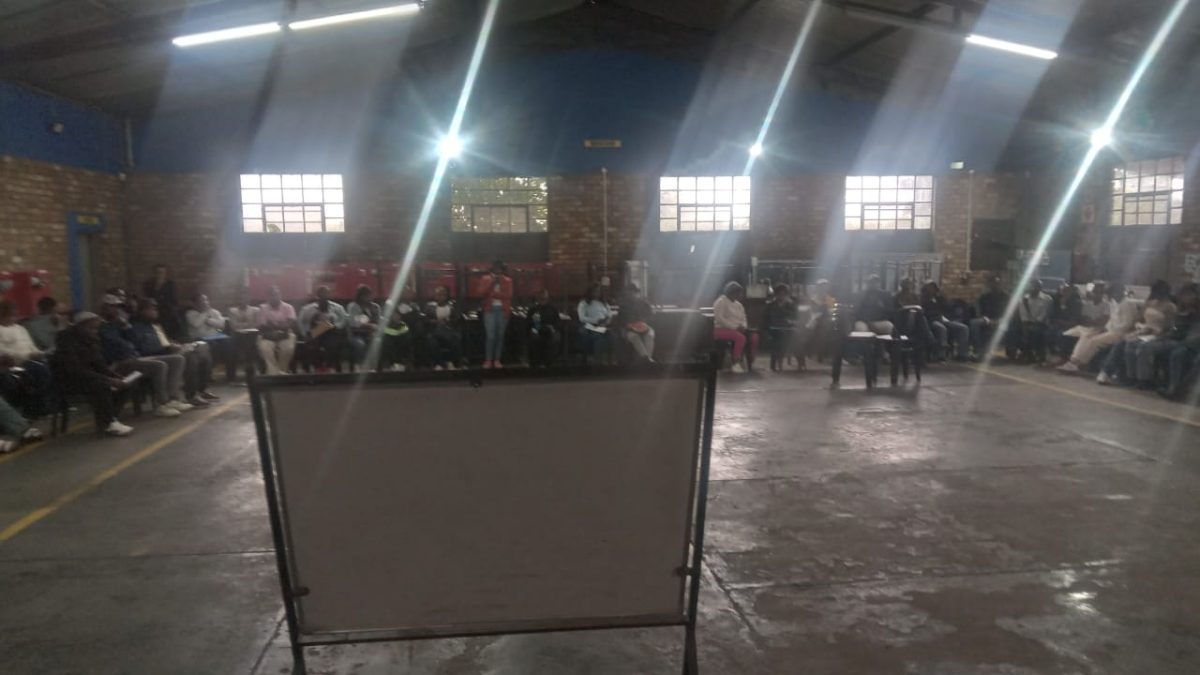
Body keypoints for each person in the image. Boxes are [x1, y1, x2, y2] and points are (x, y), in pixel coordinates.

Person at [98, 297, 183, 418]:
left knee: (177, 359)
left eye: (118, 307)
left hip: (134, 358)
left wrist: (126, 326)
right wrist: (127, 345)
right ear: (104, 308)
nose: (117, 310)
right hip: (119, 363)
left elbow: (134, 340)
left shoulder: (117, 324)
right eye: (113, 307)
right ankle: (161, 405)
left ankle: (173, 399)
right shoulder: (100, 325)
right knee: (159, 366)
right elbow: (114, 345)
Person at [51, 312, 134, 436]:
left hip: (90, 377)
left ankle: (110, 418)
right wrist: (108, 380)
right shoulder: (66, 341)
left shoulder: (92, 341)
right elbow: (75, 369)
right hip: (71, 380)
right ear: (80, 326)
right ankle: (108, 423)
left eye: (96, 329)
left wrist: (115, 376)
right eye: (91, 328)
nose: (94, 331)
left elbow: (100, 365)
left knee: (124, 385)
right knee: (102, 385)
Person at [131, 300, 216, 406]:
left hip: (167, 349)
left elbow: (164, 340)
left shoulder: (156, 325)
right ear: (142, 311)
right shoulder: (137, 327)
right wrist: (168, 347)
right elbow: (144, 346)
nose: (154, 312)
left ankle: (202, 390)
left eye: (155, 310)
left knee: (203, 354)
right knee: (190, 358)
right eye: (150, 310)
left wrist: (174, 344)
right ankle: (191, 396)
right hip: (154, 354)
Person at [1098, 280, 1177, 386]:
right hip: (1143, 331)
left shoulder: (1170, 307)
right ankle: (1110, 372)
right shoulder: (1149, 303)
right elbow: (1138, 319)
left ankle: (1143, 379)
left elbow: (1168, 326)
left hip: (1158, 334)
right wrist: (1140, 327)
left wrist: (1155, 332)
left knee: (1141, 347)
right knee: (1121, 343)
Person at [1059, 283, 1137, 373]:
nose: (1112, 296)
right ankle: (1074, 360)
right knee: (1087, 335)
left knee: (1094, 341)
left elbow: (1127, 324)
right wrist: (1106, 328)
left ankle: (1078, 364)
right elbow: (1111, 319)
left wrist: (1110, 329)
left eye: (1113, 293)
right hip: (1111, 330)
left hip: (1121, 332)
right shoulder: (1114, 302)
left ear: (1120, 292)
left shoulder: (1128, 304)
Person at [0, 300, 52, 420]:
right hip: (13, 362)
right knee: (39, 371)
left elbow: (30, 344)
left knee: (48, 367)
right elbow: (2, 350)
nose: (14, 316)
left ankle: (46, 405)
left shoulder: (20, 329)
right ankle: (34, 408)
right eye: (11, 313)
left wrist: (37, 353)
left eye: (15, 313)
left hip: (31, 358)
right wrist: (26, 355)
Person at [1160, 284, 1200, 399]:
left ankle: (1183, 390)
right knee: (1177, 353)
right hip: (1191, 344)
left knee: (1196, 361)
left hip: (1193, 345)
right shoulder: (1189, 311)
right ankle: (1174, 387)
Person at [298, 286, 348, 372]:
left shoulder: (338, 308)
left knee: (333, 344)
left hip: (332, 332)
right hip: (314, 332)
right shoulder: (307, 309)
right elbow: (300, 322)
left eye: (326, 295)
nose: (324, 297)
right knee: (312, 344)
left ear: (329, 295)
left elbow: (344, 320)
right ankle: (318, 367)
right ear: (317, 296)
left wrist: (335, 325)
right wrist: (305, 333)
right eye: (321, 295)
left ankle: (329, 366)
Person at [713, 281, 758, 374]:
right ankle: (735, 362)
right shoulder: (721, 301)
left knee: (754, 337)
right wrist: (734, 327)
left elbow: (744, 318)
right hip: (720, 329)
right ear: (730, 292)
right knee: (740, 338)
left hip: (737, 329)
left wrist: (743, 326)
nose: (739, 295)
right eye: (737, 293)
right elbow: (719, 318)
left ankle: (751, 359)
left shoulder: (739, 305)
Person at [477, 260, 513, 369]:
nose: (498, 270)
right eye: (496, 268)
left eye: (500, 268)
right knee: (491, 336)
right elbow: (481, 292)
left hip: (503, 310)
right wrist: (492, 282)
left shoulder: (508, 280)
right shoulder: (485, 279)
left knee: (500, 335)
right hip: (490, 310)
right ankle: (488, 359)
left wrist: (494, 294)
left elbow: (508, 295)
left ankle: (497, 359)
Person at [920, 281, 968, 361]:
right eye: (930, 287)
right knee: (942, 328)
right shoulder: (923, 299)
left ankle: (962, 354)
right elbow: (925, 313)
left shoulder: (939, 298)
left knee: (963, 328)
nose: (932, 289)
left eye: (933, 287)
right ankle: (941, 355)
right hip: (931, 320)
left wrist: (944, 298)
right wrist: (937, 314)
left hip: (943, 319)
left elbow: (947, 308)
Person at [256, 286, 297, 375]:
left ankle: (282, 371)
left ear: (280, 295)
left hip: (285, 335)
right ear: (268, 297)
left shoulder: (288, 307)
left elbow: (289, 323)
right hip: (268, 335)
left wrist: (273, 324)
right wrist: (281, 324)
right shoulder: (262, 308)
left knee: (288, 348)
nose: (274, 297)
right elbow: (262, 326)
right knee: (265, 348)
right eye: (271, 295)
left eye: (276, 295)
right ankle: (273, 373)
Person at [1010, 279, 1053, 364]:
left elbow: (1043, 314)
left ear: (1040, 288)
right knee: (1014, 330)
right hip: (1027, 323)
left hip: (1041, 324)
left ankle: (1035, 354)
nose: (1033, 288)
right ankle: (1021, 352)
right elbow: (1023, 315)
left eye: (1036, 286)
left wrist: (1034, 325)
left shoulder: (1047, 299)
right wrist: (1025, 326)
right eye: (1032, 286)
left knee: (1036, 331)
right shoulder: (1024, 299)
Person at [968, 276, 1010, 361]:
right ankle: (977, 350)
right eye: (994, 284)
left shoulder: (1006, 297)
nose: (995, 285)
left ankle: (983, 352)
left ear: (1001, 285)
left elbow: (1008, 313)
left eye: (998, 284)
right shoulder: (984, 297)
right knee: (974, 323)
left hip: (1001, 320)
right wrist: (986, 319)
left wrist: (998, 321)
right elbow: (980, 312)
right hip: (987, 319)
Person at [226, 287, 261, 382]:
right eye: (241, 298)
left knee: (251, 343)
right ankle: (232, 377)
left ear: (248, 298)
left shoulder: (255, 310)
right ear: (238, 299)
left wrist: (242, 325)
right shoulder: (232, 311)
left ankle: (251, 375)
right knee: (232, 347)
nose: (243, 300)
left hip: (252, 337)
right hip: (237, 338)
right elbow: (233, 326)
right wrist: (248, 324)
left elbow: (257, 324)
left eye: (245, 297)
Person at [423, 286, 462, 370]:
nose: (441, 297)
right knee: (432, 341)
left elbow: (457, 318)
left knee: (455, 338)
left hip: (449, 330)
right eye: (438, 295)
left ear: (446, 296)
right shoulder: (430, 306)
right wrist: (432, 321)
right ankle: (438, 364)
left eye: (443, 294)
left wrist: (448, 321)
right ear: (435, 296)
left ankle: (451, 362)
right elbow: (425, 319)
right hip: (434, 331)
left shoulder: (452, 306)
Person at [346, 285, 382, 371]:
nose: (369, 297)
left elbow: (378, 321)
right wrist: (368, 325)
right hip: (356, 334)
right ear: (360, 296)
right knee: (360, 344)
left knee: (377, 342)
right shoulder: (353, 306)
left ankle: (374, 367)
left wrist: (374, 327)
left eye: (370, 295)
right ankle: (358, 366)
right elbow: (352, 322)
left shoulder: (375, 307)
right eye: (366, 296)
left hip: (371, 333)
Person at [142, 264, 182, 340]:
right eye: (158, 272)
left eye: (162, 272)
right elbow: (146, 297)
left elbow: (173, 299)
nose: (160, 274)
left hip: (167, 312)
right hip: (154, 312)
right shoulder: (148, 284)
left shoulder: (170, 284)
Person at [765, 283, 799, 372]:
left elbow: (795, 318)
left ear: (786, 295)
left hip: (788, 327)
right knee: (780, 337)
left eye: (783, 294)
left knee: (798, 336)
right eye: (779, 294)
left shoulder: (791, 304)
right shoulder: (770, 304)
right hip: (774, 329)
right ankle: (778, 362)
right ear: (776, 294)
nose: (781, 296)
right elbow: (766, 319)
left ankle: (799, 361)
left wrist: (791, 322)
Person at [577, 284, 614, 364]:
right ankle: (597, 361)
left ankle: (610, 362)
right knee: (598, 337)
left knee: (612, 336)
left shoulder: (604, 303)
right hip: (590, 326)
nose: (597, 293)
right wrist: (596, 321)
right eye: (595, 291)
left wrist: (606, 322)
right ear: (590, 292)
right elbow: (582, 318)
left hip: (603, 326)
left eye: (599, 291)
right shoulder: (584, 303)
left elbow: (609, 315)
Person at [621, 283, 656, 363]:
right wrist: (626, 326)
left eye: (632, 293)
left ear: (636, 293)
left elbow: (651, 316)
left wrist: (645, 322)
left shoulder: (644, 303)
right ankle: (647, 359)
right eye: (628, 294)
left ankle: (647, 360)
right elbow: (621, 321)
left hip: (646, 328)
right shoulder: (624, 306)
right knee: (635, 337)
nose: (630, 295)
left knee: (650, 335)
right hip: (629, 330)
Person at [527, 289, 562, 368]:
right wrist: (534, 327)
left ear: (547, 298)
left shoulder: (553, 308)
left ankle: (549, 363)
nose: (542, 299)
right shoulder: (533, 309)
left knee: (555, 338)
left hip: (550, 330)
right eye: (541, 298)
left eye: (544, 298)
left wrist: (553, 328)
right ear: (538, 298)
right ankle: (536, 363)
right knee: (534, 337)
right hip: (537, 330)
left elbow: (558, 321)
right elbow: (528, 322)